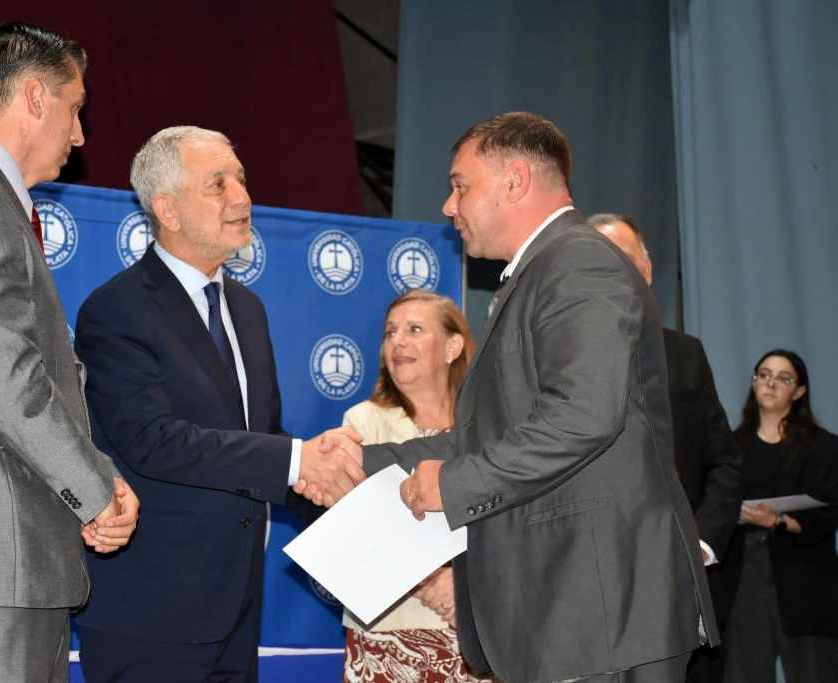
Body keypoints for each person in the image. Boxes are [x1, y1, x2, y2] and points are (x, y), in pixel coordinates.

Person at [302, 112, 718, 683]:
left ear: (516, 180)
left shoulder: (578, 261)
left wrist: (449, 486)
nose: (450, 206)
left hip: (600, 610)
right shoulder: (542, 273)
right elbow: (485, 436)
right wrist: (351, 460)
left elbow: (582, 416)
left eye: (460, 185)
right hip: (572, 613)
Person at [73, 125, 365, 682]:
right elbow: (151, 440)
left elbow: (261, 436)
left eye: (242, 179)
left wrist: (340, 486)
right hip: (151, 614)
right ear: (169, 209)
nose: (243, 197)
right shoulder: (117, 311)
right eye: (218, 184)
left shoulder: (249, 310)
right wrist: (298, 460)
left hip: (238, 611)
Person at [0, 22, 138, 682]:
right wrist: (96, 490)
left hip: (14, 569)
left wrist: (97, 476)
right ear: (35, 97)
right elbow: (7, 385)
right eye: (75, 109)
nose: (80, 135)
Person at [589, 214, 743, 683]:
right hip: (594, 596)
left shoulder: (687, 354)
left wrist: (701, 545)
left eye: (627, 262)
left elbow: (725, 464)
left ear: (648, 269)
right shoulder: (558, 358)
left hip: (683, 592)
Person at [340, 289, 488, 683]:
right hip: (390, 634)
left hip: (484, 631)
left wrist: (468, 591)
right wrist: (436, 581)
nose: (397, 342)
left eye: (414, 329)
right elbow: (353, 532)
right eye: (390, 332)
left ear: (452, 346)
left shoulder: (490, 427)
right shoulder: (361, 424)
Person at [722, 349, 838, 682]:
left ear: (799, 391)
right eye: (764, 374)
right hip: (743, 577)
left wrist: (777, 521)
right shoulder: (730, 448)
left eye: (783, 378)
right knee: (743, 672)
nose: (770, 383)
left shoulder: (823, 447)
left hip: (804, 579)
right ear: (753, 381)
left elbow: (831, 509)